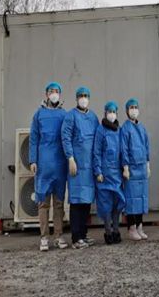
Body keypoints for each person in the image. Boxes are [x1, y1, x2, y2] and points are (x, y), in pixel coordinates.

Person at [29, 82, 68, 251]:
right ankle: (44, 237)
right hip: (44, 165)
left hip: (60, 164)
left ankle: (58, 236)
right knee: (43, 203)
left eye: (57, 91)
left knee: (59, 203)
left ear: (60, 94)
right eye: (51, 91)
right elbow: (33, 139)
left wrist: (71, 159)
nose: (54, 94)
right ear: (46, 94)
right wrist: (33, 160)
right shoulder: (39, 115)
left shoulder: (64, 114)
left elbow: (68, 137)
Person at [61, 86, 99, 249]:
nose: (83, 98)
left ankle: (83, 234)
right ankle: (76, 237)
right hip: (76, 166)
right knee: (77, 202)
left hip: (89, 167)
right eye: (81, 96)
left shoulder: (93, 117)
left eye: (86, 96)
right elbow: (65, 137)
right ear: (76, 98)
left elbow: (98, 140)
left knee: (86, 201)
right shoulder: (71, 116)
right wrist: (70, 158)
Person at [93, 101, 125, 244]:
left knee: (117, 204)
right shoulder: (101, 130)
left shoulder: (119, 130)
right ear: (105, 113)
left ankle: (116, 230)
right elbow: (97, 152)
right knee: (106, 205)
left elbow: (123, 151)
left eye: (114, 112)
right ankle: (108, 232)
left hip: (117, 174)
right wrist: (98, 171)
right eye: (109, 112)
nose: (112, 114)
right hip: (104, 175)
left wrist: (125, 168)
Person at [120, 98, 151, 241]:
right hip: (131, 169)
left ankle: (139, 226)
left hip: (142, 168)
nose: (134, 110)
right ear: (127, 111)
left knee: (141, 198)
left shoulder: (142, 128)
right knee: (131, 199)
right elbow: (124, 149)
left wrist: (148, 164)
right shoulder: (125, 128)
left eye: (135, 107)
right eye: (131, 107)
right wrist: (125, 167)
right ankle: (131, 228)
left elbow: (146, 147)